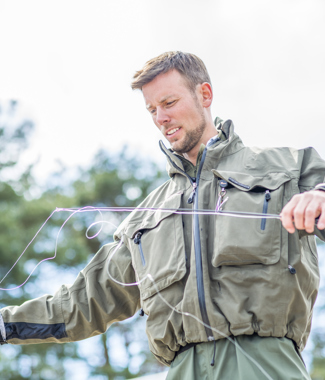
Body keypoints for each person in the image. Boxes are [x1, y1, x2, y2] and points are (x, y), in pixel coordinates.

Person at [1, 51, 325, 379]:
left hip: (268, 367)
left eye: (169, 103)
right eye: (152, 109)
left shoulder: (288, 167)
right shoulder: (144, 220)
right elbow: (83, 303)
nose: (160, 118)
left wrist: (319, 197)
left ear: (205, 94)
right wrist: (4, 324)